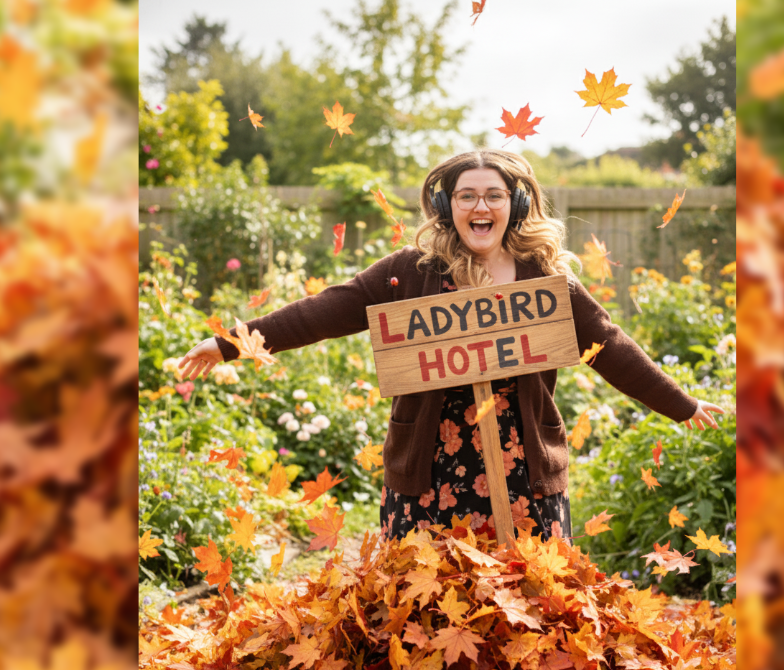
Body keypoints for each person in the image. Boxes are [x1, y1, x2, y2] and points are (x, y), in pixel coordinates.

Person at [177, 148, 724, 542]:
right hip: (431, 466)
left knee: (529, 609)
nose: (480, 205)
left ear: (514, 205)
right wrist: (229, 344)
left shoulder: (544, 279)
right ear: (447, 206)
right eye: (466, 196)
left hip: (523, 466)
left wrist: (682, 404)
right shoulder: (410, 271)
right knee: (427, 613)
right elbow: (324, 310)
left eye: (493, 195)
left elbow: (609, 344)